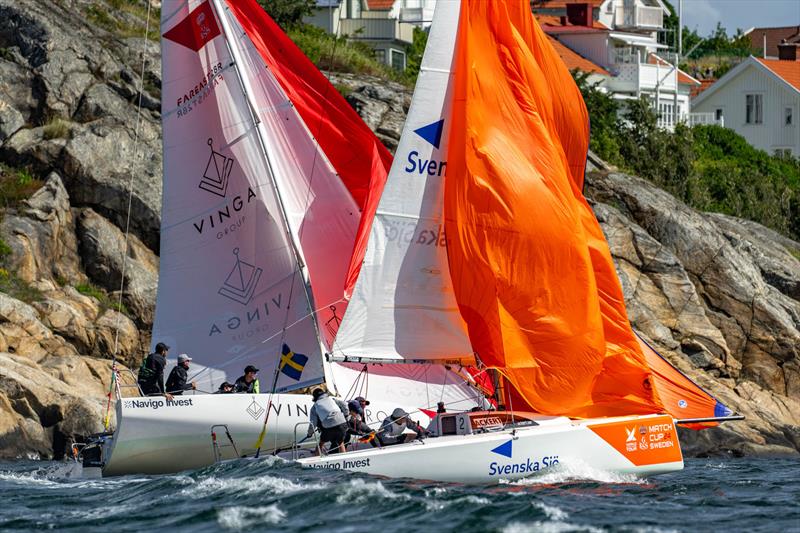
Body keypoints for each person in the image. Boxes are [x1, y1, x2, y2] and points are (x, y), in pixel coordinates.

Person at [307, 388, 349, 454]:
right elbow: (345, 404)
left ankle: (316, 458)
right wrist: (346, 415)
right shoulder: (332, 399)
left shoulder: (314, 406)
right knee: (340, 442)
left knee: (321, 443)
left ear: (315, 397)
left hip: (329, 427)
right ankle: (345, 458)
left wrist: (309, 433)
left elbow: (313, 423)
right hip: (342, 423)